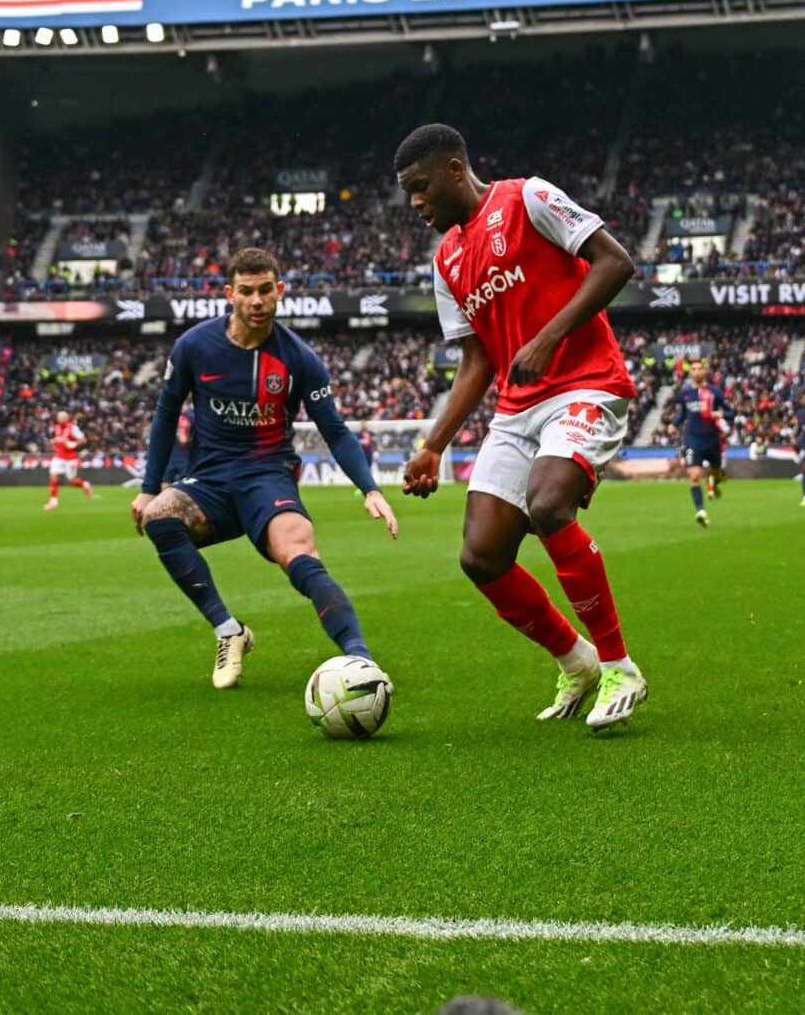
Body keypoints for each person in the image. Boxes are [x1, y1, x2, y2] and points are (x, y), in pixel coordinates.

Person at [394, 123, 649, 732]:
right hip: (518, 407)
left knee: (549, 504)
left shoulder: (527, 198)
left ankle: (620, 666)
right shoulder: (446, 261)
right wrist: (433, 444)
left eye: (421, 187)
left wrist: (548, 336)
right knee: (481, 556)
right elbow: (477, 361)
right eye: (408, 193)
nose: (415, 203)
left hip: (587, 382)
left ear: (455, 170)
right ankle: (578, 662)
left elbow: (615, 262)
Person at [132, 249, 398, 687]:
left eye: (265, 291)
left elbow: (334, 429)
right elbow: (165, 414)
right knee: (159, 516)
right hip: (210, 480)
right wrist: (148, 487)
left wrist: (369, 488)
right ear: (229, 295)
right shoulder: (194, 346)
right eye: (246, 292)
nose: (256, 301)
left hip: (267, 476)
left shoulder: (300, 359)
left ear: (280, 291)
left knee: (301, 554)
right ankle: (229, 632)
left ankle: (361, 660)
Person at [668, 358, 730, 527]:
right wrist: (674, 424)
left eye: (699, 368)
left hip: (712, 441)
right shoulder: (685, 394)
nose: (696, 371)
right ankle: (701, 511)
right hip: (693, 441)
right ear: (690, 373)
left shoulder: (715, 392)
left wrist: (721, 414)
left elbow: (731, 411)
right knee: (694, 476)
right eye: (693, 369)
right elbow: (683, 415)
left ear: (705, 371)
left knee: (716, 474)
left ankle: (715, 485)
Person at [44, 409, 95, 511]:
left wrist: (74, 444)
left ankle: (85, 484)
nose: (60, 419)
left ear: (67, 418)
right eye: (59, 418)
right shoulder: (56, 427)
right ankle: (53, 502)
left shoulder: (73, 428)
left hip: (70, 458)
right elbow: (56, 440)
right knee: (54, 477)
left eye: (62, 417)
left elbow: (83, 440)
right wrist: (54, 441)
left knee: (71, 481)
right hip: (58, 457)